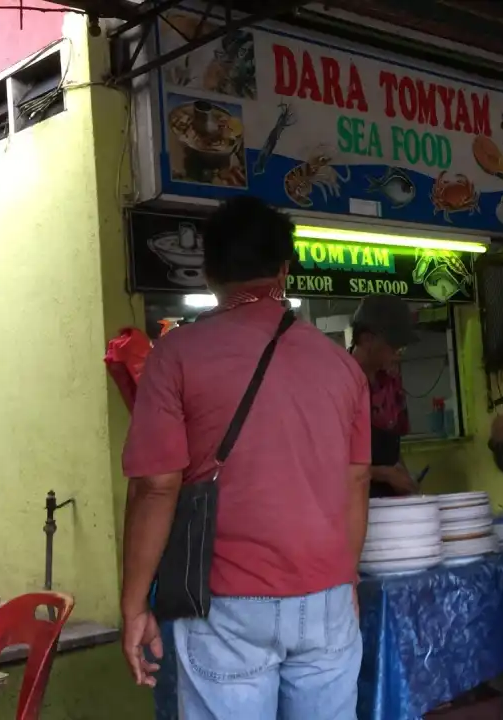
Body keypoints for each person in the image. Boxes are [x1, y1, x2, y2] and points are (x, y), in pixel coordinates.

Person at [120, 197, 370, 720]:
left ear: (209, 271)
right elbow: (356, 480)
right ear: (284, 269)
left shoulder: (177, 355)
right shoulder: (341, 365)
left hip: (226, 603)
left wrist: (134, 602)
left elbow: (157, 486)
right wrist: (345, 580)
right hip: (326, 598)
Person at [349, 295, 420, 497]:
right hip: (354, 502)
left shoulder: (390, 382)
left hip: (390, 504)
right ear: (366, 339)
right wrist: (386, 475)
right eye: (393, 345)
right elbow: (330, 462)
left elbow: (393, 448)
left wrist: (404, 478)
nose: (398, 353)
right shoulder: (339, 382)